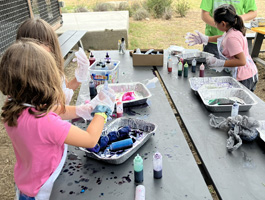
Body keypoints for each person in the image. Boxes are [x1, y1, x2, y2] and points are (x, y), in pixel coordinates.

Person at [0, 40, 115, 199]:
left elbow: (53, 111)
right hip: (43, 190)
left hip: (25, 184)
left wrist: (82, 110)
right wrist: (102, 110)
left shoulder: (14, 105)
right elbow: (90, 139)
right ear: (42, 81)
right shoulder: (45, 123)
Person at [186, 4, 258, 91]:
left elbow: (242, 61)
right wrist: (206, 39)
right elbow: (223, 38)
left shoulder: (232, 38)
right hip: (244, 73)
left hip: (244, 77)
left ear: (223, 23)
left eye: (216, 23)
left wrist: (219, 62)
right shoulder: (232, 30)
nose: (215, 25)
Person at [16, 18, 88, 105]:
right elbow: (43, 113)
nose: (48, 48)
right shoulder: (27, 79)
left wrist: (80, 76)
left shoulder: (52, 67)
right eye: (38, 44)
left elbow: (66, 88)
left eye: (48, 43)